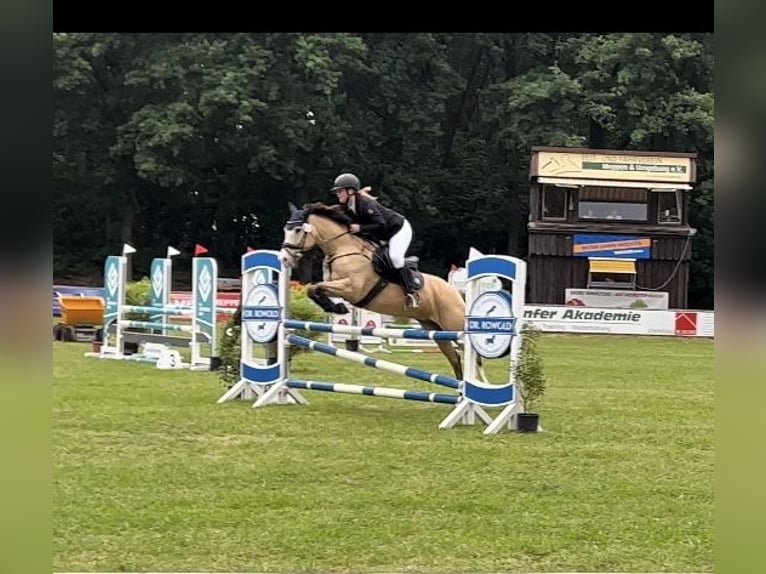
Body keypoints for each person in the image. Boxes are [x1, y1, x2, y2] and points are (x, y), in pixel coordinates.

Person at [330, 172, 420, 308]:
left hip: (398, 229)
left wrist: (360, 228)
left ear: (350, 191)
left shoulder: (366, 204)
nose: (338, 194)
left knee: (395, 258)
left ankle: (411, 292)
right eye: (337, 191)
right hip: (381, 234)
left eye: (340, 191)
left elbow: (381, 224)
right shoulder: (347, 208)